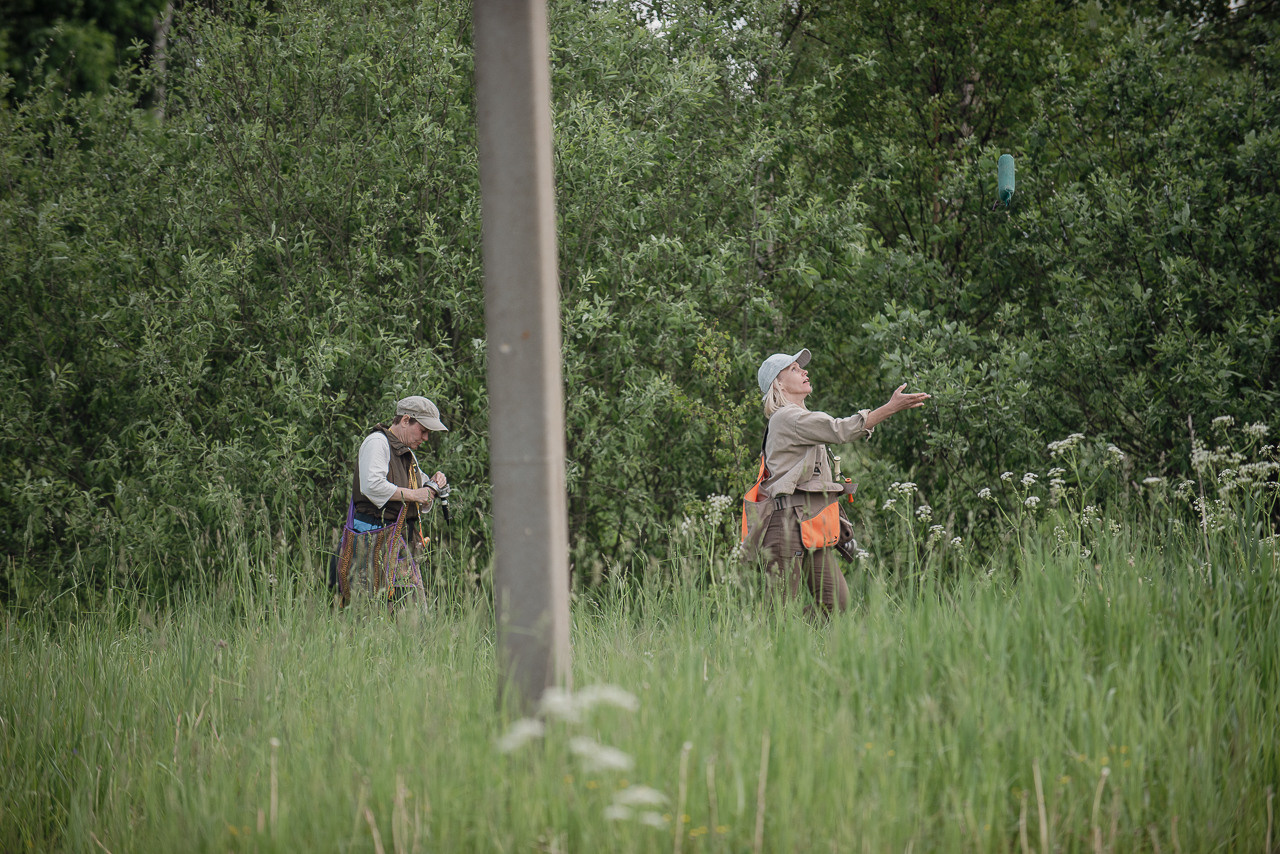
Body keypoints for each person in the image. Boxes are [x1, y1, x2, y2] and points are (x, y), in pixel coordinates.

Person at [753, 348, 929, 615]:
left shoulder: (800, 420)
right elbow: (841, 429)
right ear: (778, 384)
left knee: (836, 603)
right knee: (777, 616)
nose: (804, 371)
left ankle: (796, 637)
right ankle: (773, 639)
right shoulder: (788, 418)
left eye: (801, 367)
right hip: (786, 525)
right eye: (794, 369)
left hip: (811, 523)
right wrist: (890, 408)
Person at [331, 396, 450, 607]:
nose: (425, 438)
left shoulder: (406, 453)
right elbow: (372, 485)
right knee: (368, 612)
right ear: (405, 420)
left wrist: (434, 484)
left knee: (410, 615)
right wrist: (415, 494)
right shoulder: (377, 443)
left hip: (399, 546)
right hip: (371, 542)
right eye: (423, 430)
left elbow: (421, 493)